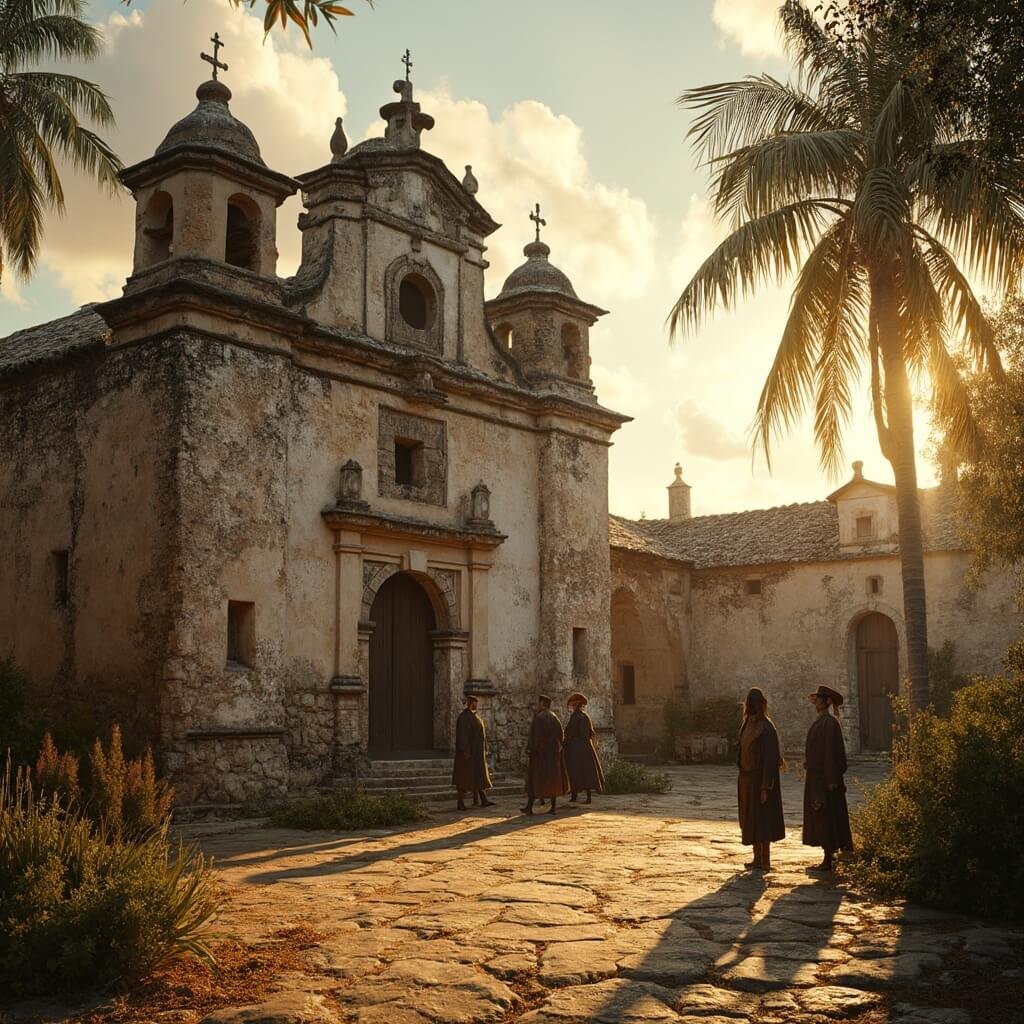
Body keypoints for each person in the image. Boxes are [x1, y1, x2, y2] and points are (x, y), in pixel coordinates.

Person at [803, 684, 854, 872]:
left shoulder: (830, 724)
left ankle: (828, 859)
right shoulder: (822, 722)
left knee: (826, 816)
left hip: (825, 778)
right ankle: (828, 855)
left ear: (827, 701)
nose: (816, 702)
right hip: (817, 776)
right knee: (821, 815)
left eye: (819, 699)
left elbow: (831, 753)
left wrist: (832, 780)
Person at [737, 686, 786, 870]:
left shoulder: (766, 728)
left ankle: (765, 860)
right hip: (747, 779)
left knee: (763, 820)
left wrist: (765, 787)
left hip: (760, 780)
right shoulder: (747, 724)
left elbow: (770, 760)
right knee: (751, 820)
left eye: (753, 704)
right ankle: (756, 858)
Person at [521, 695, 569, 815]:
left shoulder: (539, 718)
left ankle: (529, 807)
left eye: (539, 703)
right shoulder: (554, 717)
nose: (538, 705)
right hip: (552, 756)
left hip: (540, 756)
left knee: (535, 781)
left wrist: (531, 749)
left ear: (542, 704)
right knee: (552, 780)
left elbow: (535, 737)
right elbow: (561, 735)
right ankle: (553, 808)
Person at [452, 693, 494, 812]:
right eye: (475, 703)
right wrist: (465, 750)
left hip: (477, 753)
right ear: (471, 704)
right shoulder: (463, 718)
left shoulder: (475, 716)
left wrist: (485, 748)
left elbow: (481, 734)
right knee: (464, 778)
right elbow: (462, 736)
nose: (476, 705)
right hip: (468, 754)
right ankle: (460, 802)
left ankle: (483, 799)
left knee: (479, 776)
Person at [564, 692, 605, 804]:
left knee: (584, 772)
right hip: (578, 748)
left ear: (576, 704)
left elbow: (583, 733)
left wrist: (571, 737)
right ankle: (575, 795)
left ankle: (587, 796)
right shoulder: (578, 716)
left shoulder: (581, 717)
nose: (571, 706)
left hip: (581, 748)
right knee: (576, 771)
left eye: (573, 704)